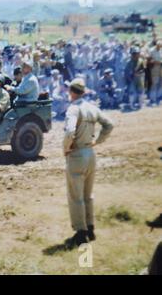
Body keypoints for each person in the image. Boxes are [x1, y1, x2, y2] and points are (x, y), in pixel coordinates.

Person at [63, 78, 114, 248]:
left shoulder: (73, 109)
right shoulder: (92, 108)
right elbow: (109, 125)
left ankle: (81, 232)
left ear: (71, 91)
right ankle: (90, 228)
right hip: (90, 153)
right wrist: (98, 142)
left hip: (76, 153)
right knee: (87, 194)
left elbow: (70, 131)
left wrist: (66, 148)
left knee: (75, 196)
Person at [148, 41, 162, 106]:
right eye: (159, 46)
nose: (160, 47)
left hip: (161, 69)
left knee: (160, 83)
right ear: (156, 45)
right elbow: (149, 60)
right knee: (154, 84)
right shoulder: (151, 50)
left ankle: (159, 97)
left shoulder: (161, 50)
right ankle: (153, 99)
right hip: (154, 68)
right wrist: (156, 62)